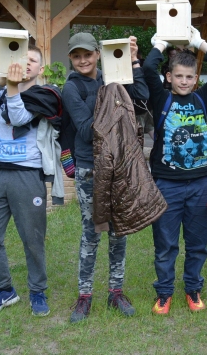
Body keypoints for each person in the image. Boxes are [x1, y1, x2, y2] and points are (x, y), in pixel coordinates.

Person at [63, 33, 148, 323]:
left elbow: (141, 100)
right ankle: (84, 295)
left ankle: (116, 292)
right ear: (71, 59)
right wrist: (113, 101)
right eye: (76, 56)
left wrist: (134, 61)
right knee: (91, 232)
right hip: (90, 168)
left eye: (87, 54)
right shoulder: (71, 88)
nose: (83, 60)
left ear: (98, 53)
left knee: (118, 231)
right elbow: (86, 131)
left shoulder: (114, 74)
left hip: (119, 166)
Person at [143, 26, 207, 315]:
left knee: (197, 244)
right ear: (169, 77)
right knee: (165, 244)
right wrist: (161, 46)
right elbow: (146, 67)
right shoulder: (162, 98)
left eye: (189, 77)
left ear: (196, 79)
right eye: (178, 76)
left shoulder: (202, 99)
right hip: (167, 185)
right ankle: (164, 292)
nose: (184, 81)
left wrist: (199, 42)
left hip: (199, 185)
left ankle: (193, 289)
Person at [0, 45, 53, 316]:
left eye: (33, 61)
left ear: (40, 69)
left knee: (32, 238)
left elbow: (19, 118)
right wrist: (1, 82)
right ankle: (4, 291)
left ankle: (37, 292)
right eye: (22, 59)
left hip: (27, 174)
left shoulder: (45, 94)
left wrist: (13, 88)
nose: (26, 64)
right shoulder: (5, 90)